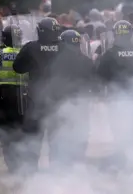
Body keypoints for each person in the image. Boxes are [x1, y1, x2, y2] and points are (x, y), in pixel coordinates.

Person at [96, 20, 133, 172]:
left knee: (118, 128)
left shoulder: (109, 54)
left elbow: (100, 77)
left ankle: (123, 158)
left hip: (115, 99)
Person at [13, 17, 62, 174]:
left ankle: (30, 170)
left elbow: (18, 68)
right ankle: (58, 169)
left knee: (33, 136)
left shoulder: (31, 47)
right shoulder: (64, 47)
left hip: (36, 98)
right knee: (57, 136)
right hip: (58, 99)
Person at [43, 29, 96, 170]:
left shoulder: (53, 60)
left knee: (56, 135)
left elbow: (46, 81)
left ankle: (56, 166)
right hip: (80, 104)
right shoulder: (86, 60)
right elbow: (94, 83)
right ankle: (77, 164)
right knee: (80, 133)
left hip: (57, 103)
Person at [0, 25, 28, 173]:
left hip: (2, 99)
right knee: (21, 132)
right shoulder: (25, 52)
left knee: (5, 133)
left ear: (4, 37)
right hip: (22, 99)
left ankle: (12, 165)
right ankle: (23, 162)